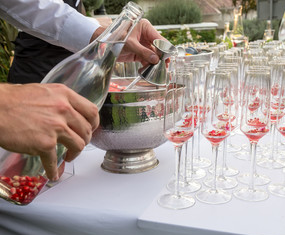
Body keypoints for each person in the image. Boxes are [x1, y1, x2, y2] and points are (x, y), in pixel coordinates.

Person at [0, 0, 165, 180]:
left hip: (68, 71)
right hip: (34, 70)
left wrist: (108, 39)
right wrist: (6, 103)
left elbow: (30, 5)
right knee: (21, 167)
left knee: (44, 171)